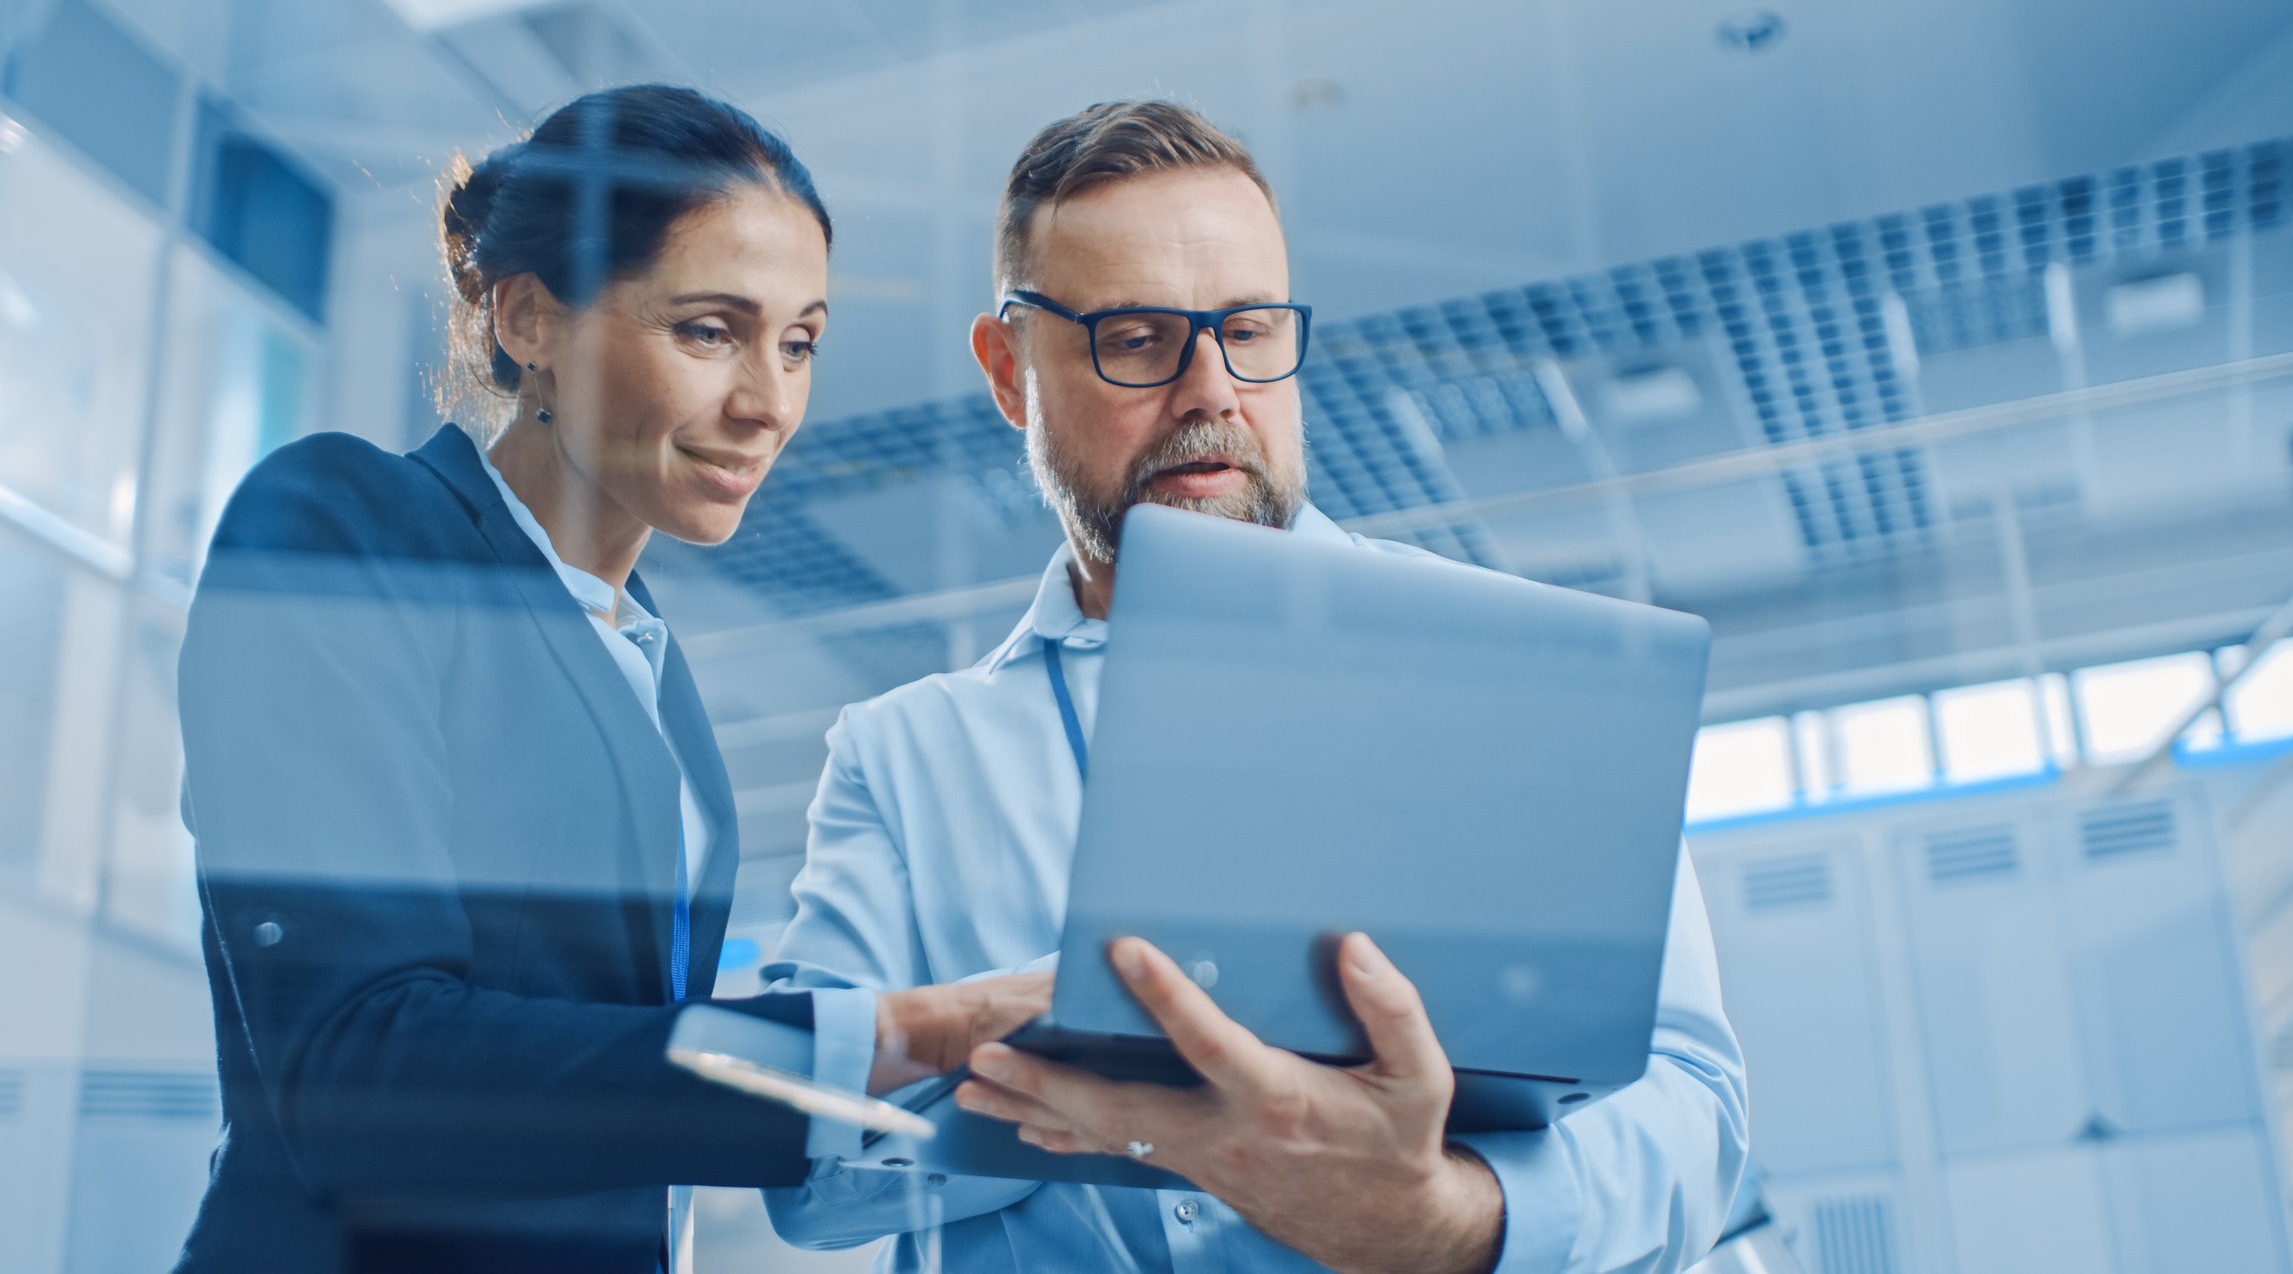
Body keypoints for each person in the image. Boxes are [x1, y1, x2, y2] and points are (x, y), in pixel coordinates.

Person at [761, 100, 1748, 1272]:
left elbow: (1694, 1118)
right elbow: (800, 1173)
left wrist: (1441, 1217)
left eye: (1247, 329)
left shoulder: (1520, 682)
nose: (1210, 390)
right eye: (1137, 339)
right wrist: (1086, 1063)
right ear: (1010, 372)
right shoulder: (904, 756)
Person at [171, 83, 1045, 1274]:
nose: (768, 403)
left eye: (798, 344)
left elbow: (622, 1093)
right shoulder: (350, 525)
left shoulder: (650, 669)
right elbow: (360, 1066)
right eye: (709, 331)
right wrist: (904, 1031)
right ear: (529, 316)